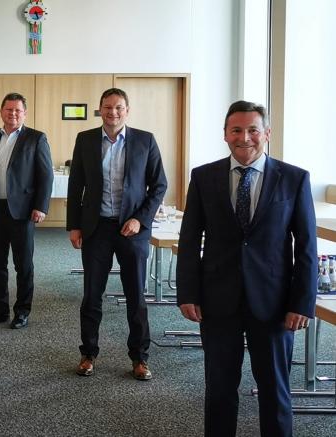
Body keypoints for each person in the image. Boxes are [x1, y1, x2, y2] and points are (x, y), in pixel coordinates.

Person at [176, 100, 317, 437]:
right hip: (217, 300)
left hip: (274, 304)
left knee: (275, 390)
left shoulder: (294, 179)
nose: (244, 138)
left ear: (267, 133)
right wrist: (188, 293)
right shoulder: (204, 177)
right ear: (225, 134)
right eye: (236, 130)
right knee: (219, 389)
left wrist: (302, 302)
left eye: (253, 130)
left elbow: (307, 247)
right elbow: (189, 239)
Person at [66, 88, 167, 380]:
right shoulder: (85, 139)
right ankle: (88, 354)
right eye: (108, 107)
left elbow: (159, 185)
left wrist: (140, 219)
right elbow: (76, 185)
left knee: (136, 295)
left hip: (131, 230)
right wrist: (74, 225)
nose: (113, 112)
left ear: (127, 110)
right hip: (96, 227)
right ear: (100, 109)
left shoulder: (145, 140)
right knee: (91, 295)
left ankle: (140, 358)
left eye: (119, 107)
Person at [0, 92, 53, 329]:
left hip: (23, 211)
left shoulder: (36, 138)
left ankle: (22, 311)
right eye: (8, 109)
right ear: (1, 112)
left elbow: (46, 175)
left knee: (24, 265)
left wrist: (41, 206)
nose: (13, 114)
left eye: (17, 110)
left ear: (24, 114)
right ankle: (0, 310)